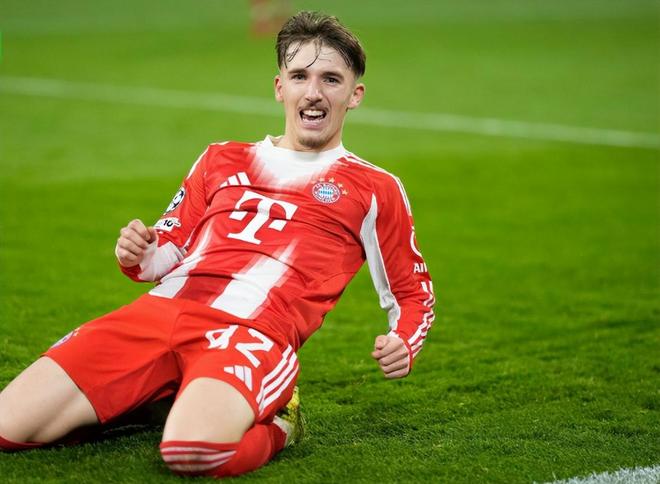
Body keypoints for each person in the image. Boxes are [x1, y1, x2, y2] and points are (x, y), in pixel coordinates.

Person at [0, 11, 434, 477]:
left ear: (354, 95)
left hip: (251, 334)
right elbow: (162, 253)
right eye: (299, 77)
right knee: (8, 427)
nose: (313, 92)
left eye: (331, 79)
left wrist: (403, 341)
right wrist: (138, 251)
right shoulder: (220, 158)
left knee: (191, 452)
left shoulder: (375, 188)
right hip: (158, 314)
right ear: (280, 87)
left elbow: (412, 292)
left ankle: (283, 422)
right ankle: (155, 398)